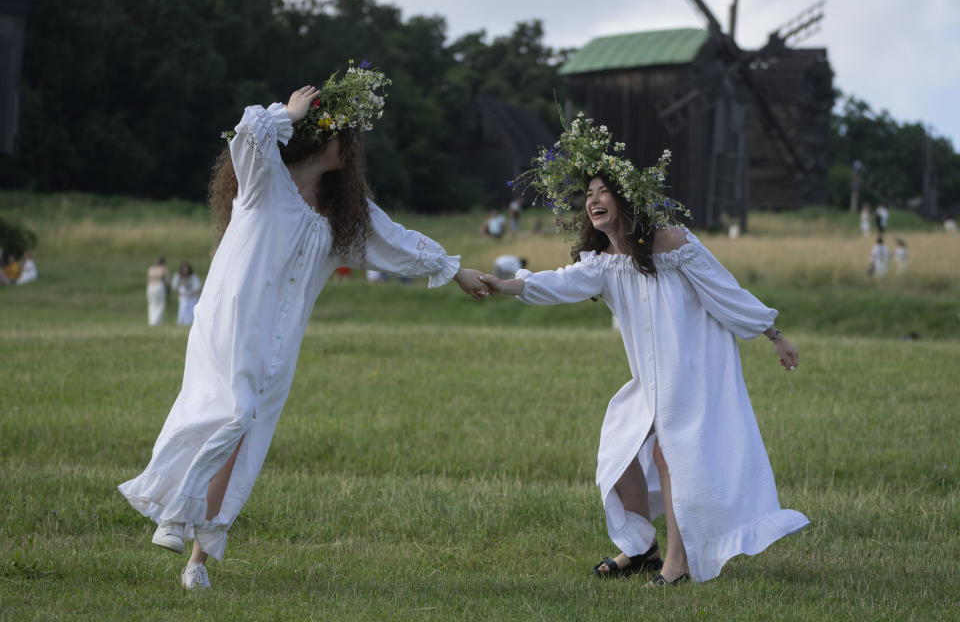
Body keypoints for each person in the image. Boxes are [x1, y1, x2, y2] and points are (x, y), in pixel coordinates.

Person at [118, 67, 489, 591]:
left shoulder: (341, 218)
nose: (353, 150)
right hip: (231, 321)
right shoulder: (264, 181)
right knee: (230, 411)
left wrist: (454, 271)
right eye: (349, 138)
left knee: (246, 434)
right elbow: (247, 134)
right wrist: (287, 114)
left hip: (278, 341)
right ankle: (173, 514)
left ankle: (197, 556)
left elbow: (396, 241)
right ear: (328, 136)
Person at [480, 113, 807, 586]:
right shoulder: (603, 265)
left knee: (667, 456)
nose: (593, 200)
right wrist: (504, 286)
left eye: (603, 191)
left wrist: (774, 334)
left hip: (694, 370)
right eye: (588, 194)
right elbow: (557, 283)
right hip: (652, 378)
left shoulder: (671, 244)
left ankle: (677, 561)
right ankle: (644, 547)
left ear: (624, 197)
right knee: (618, 451)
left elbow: (725, 290)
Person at [146, 256, 171, 326]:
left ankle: (151, 322)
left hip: (150, 287)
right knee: (160, 305)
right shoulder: (164, 269)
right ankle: (156, 322)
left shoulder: (151, 268)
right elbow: (168, 281)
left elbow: (148, 279)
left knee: (151, 304)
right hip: (159, 286)